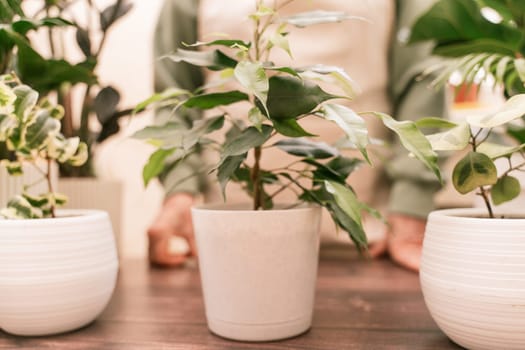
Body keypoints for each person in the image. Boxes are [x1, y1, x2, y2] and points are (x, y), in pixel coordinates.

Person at [147, 0, 447, 272]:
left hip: (368, 246)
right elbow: (174, 99)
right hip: (225, 247)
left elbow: (422, 81)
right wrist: (179, 192)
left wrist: (411, 206)